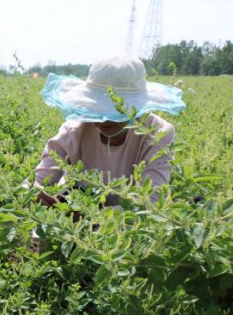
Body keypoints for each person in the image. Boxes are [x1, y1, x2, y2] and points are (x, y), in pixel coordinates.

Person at [32, 54, 186, 211]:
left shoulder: (158, 134)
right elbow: (36, 181)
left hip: (127, 225)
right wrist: (35, 193)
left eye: (116, 112)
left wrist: (93, 216)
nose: (105, 120)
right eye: (98, 110)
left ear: (137, 108)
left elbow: (151, 202)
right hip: (74, 212)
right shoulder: (75, 130)